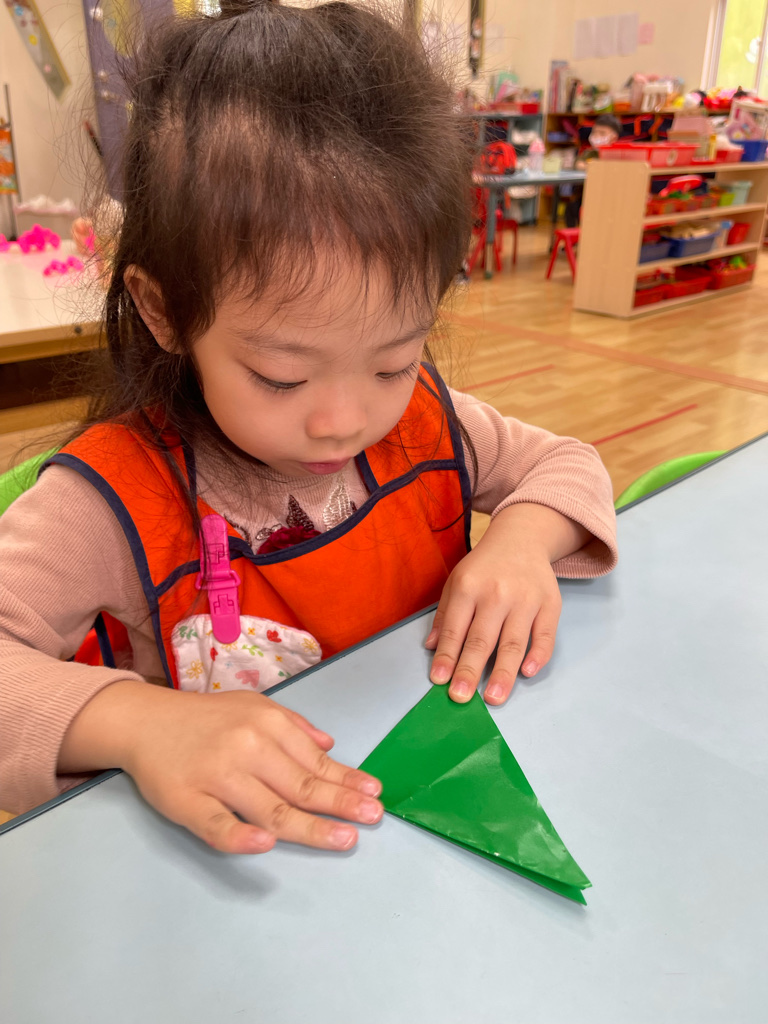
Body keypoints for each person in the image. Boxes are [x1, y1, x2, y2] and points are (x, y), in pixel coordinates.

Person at [0, 0, 617, 856]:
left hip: (420, 830)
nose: (345, 422)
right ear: (164, 311)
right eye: (282, 377)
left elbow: (568, 465)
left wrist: (520, 542)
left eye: (393, 361)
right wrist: (136, 722)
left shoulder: (426, 425)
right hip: (232, 866)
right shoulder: (110, 501)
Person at [564, 113, 623, 228]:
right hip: (588, 196)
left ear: (614, 137)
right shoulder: (591, 152)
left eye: (602, 133)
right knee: (571, 208)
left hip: (610, 199)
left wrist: (592, 166)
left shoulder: (618, 153)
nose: (597, 136)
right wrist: (596, 167)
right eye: (595, 132)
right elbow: (578, 164)